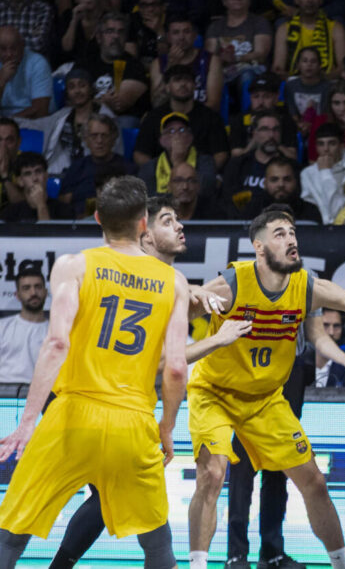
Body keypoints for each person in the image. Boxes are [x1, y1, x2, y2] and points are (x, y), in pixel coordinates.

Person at [184, 207, 345, 569]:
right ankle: (202, 564)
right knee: (212, 474)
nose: (291, 239)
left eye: (292, 232)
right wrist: (192, 295)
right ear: (259, 247)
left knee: (314, 482)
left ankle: (342, 564)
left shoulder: (308, 288)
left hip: (266, 400)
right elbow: (178, 311)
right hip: (215, 393)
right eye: (280, 233)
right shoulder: (232, 284)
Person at [0, 176, 189, 568]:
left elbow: (57, 344)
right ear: (143, 223)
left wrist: (29, 421)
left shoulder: (75, 266)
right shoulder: (174, 281)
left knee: (11, 537)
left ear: (97, 218)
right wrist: (166, 428)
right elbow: (176, 368)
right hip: (134, 420)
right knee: (158, 544)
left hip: (71, 417)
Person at [46, 193, 255, 568]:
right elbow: (160, 360)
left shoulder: (168, 281)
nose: (180, 226)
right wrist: (216, 339)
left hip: (117, 407)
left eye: (178, 219)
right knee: (127, 497)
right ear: (144, 233)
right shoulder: (136, 279)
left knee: (113, 498)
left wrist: (196, 292)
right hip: (90, 401)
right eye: (168, 220)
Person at [134, 63, 230, 170]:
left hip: (199, 177)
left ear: (194, 86)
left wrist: (200, 175)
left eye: (187, 80)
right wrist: (160, 173)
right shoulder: (153, 117)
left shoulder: (211, 116)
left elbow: (221, 155)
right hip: (161, 176)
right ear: (167, 87)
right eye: (177, 80)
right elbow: (140, 155)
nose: (183, 84)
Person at [76, 12, 150, 125]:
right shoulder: (86, 62)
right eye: (110, 31)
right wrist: (101, 102)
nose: (115, 36)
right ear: (99, 37)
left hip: (117, 123)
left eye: (120, 32)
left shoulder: (135, 66)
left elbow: (118, 104)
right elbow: (73, 97)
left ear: (125, 38)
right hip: (86, 119)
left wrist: (89, 103)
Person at [58, 114, 137, 218]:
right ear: (86, 140)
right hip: (79, 227)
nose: (99, 141)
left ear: (113, 139)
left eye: (104, 135)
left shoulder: (129, 169)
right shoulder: (76, 168)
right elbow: (63, 206)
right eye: (94, 135)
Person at [205, 0, 273, 97]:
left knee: (247, 76)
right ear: (224, 0)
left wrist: (235, 58)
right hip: (222, 70)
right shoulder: (215, 27)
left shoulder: (259, 22)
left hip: (251, 70)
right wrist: (222, 58)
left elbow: (261, 54)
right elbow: (209, 56)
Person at [273, 0, 345, 78]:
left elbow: (343, 66)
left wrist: (320, 80)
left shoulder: (335, 28)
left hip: (327, 83)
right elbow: (278, 68)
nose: (309, 0)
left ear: (320, 0)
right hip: (294, 85)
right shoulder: (284, 29)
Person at [0, 267, 48, 383]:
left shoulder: (59, 331)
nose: (33, 292)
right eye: (26, 288)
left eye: (38, 287)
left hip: (49, 398)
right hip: (7, 398)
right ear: (17, 295)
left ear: (46, 292)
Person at [150, 15, 224, 113]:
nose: (181, 37)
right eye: (176, 32)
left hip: (201, 116)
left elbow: (214, 104)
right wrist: (170, 66)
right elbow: (157, 103)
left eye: (186, 31)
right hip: (170, 119)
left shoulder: (211, 60)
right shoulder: (158, 63)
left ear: (194, 35)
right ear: (168, 37)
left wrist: (187, 116)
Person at [138, 112, 218, 200]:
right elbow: (149, 199)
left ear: (190, 137)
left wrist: (178, 163)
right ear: (162, 141)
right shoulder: (150, 167)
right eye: (171, 131)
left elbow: (206, 192)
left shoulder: (205, 161)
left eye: (182, 130)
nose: (177, 135)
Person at [0, 25, 52, 120]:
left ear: (22, 45)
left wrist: (5, 122)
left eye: (13, 48)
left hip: (31, 122)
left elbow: (41, 110)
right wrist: (0, 82)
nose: (9, 54)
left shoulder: (38, 63)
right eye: (3, 49)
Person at [300, 123, 345, 224]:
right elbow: (309, 205)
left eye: (332, 143)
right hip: (316, 228)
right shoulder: (307, 173)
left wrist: (325, 171)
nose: (326, 149)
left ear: (341, 146)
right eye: (321, 144)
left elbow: (337, 211)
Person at [241, 156, 323, 222]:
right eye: (274, 180)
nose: (281, 185)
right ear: (264, 183)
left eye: (287, 179)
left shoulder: (310, 212)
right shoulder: (251, 210)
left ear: (296, 182)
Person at [0, 152, 72, 222]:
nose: (35, 178)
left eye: (38, 171)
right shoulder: (10, 213)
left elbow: (47, 234)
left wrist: (41, 205)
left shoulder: (64, 210)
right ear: (20, 181)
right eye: (28, 174)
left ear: (46, 176)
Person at [56, 0, 106, 66]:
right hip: (72, 67)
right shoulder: (67, 16)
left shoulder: (107, 18)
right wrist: (74, 20)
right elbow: (66, 48)